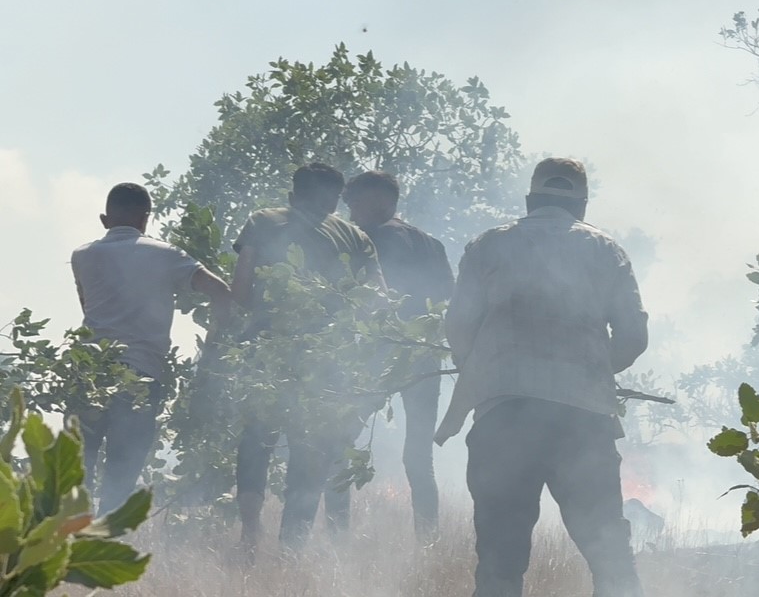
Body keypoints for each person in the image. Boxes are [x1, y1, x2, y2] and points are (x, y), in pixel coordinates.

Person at [436, 157, 648, 597]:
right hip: (583, 418)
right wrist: (593, 371)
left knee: (499, 561)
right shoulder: (605, 250)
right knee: (609, 556)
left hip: (502, 416)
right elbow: (633, 336)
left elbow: (458, 326)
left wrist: (484, 369)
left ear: (531, 199)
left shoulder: (488, 246)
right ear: (583, 206)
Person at [230, 162, 384, 551]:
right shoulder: (355, 235)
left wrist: (249, 321)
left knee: (256, 440)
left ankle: (251, 530)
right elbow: (377, 299)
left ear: (293, 193)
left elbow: (241, 286)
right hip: (326, 360)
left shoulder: (264, 220)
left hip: (266, 351)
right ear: (334, 199)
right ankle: (292, 547)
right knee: (310, 449)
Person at [70, 182, 232, 513]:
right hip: (140, 377)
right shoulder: (166, 254)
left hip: (88, 375)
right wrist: (216, 342)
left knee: (75, 472)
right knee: (121, 474)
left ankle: (67, 549)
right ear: (146, 218)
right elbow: (221, 291)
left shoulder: (82, 256)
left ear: (105, 219)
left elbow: (88, 308)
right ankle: (104, 547)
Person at [341, 170, 454, 542]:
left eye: (354, 204)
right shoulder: (433, 244)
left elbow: (363, 297)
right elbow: (447, 300)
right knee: (419, 456)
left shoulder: (370, 239)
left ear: (377, 200)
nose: (351, 213)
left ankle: (335, 537)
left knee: (340, 440)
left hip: (380, 351)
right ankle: (429, 541)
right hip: (425, 354)